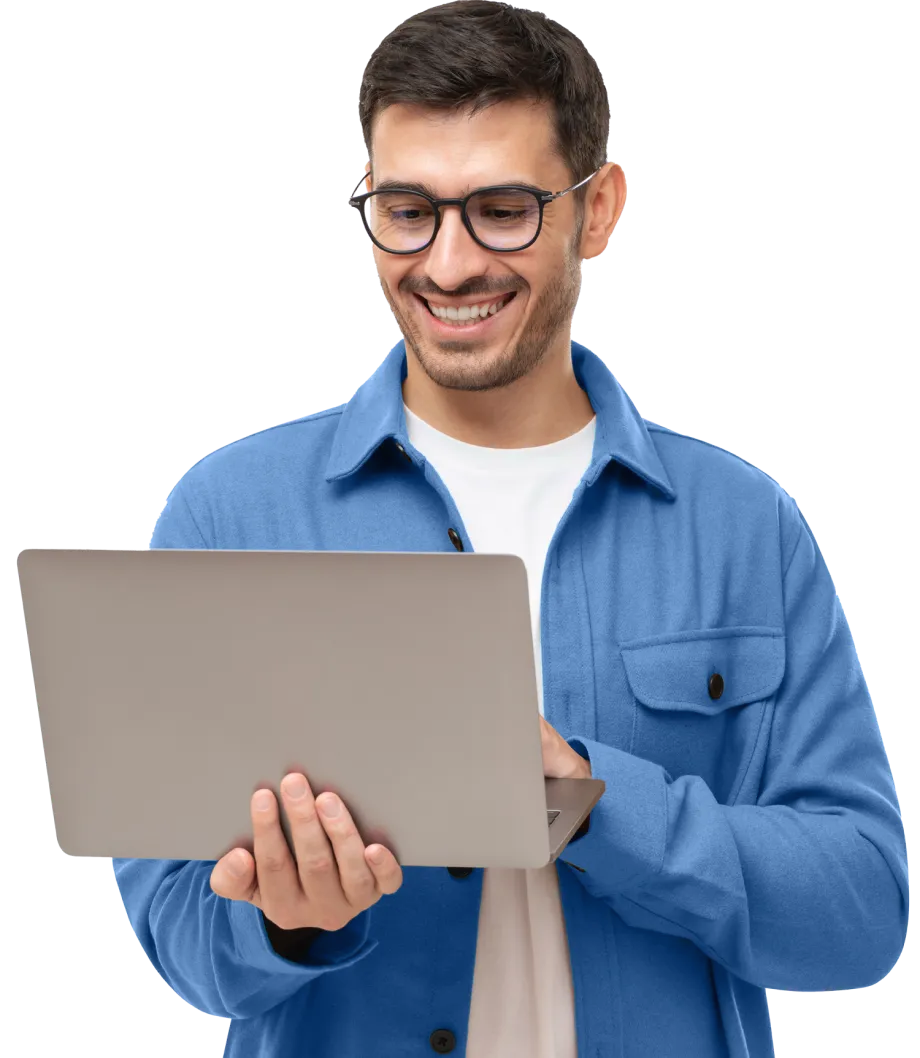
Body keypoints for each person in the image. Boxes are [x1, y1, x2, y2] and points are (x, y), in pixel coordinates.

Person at [112, 2, 909, 1056]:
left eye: (501, 209)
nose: (446, 265)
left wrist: (584, 801)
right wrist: (284, 919)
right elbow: (175, 935)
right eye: (406, 210)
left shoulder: (742, 524)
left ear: (599, 209)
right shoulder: (226, 512)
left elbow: (857, 916)